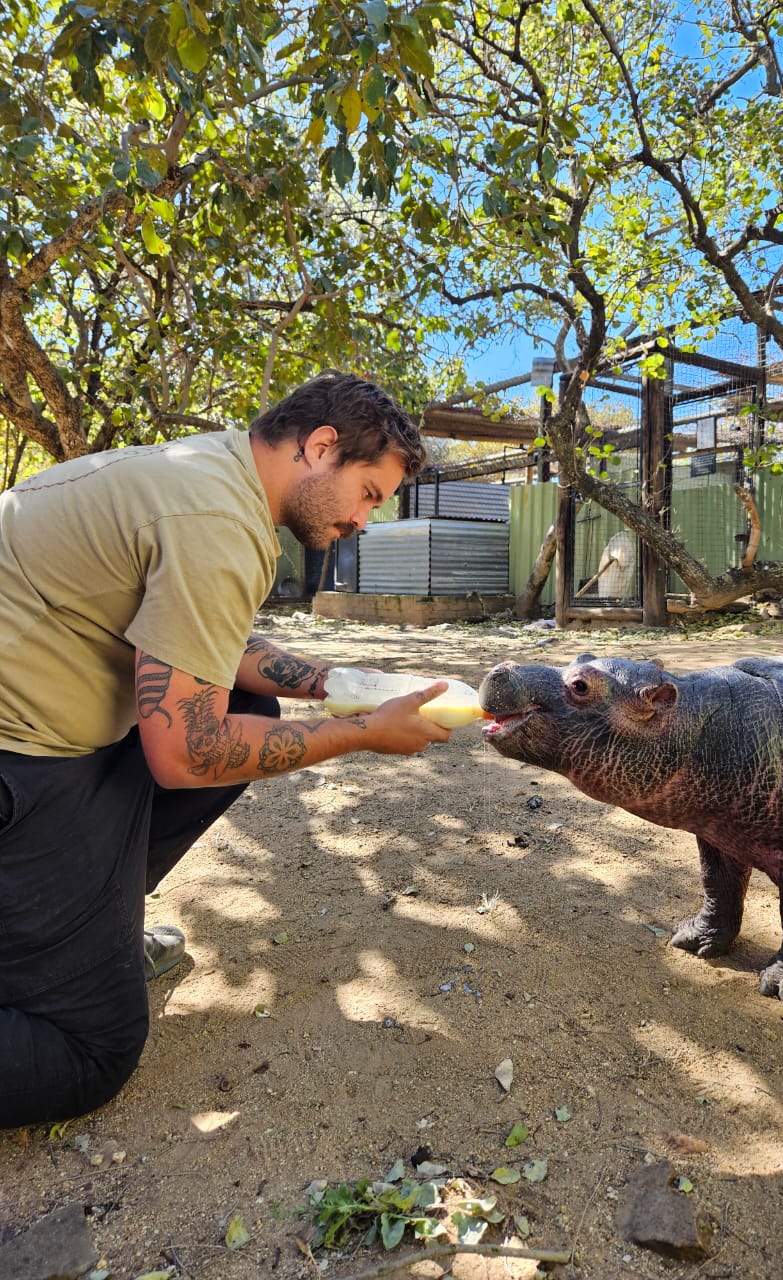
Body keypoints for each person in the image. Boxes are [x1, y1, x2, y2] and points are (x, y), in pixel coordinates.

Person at [0, 371, 452, 1129]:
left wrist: (344, 682)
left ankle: (89, 929)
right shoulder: (218, 518)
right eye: (369, 494)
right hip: (20, 761)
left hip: (40, 739)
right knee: (89, 1050)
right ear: (320, 447)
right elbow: (183, 753)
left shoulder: (214, 473)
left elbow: (213, 643)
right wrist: (360, 732)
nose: (365, 522)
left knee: (249, 703)